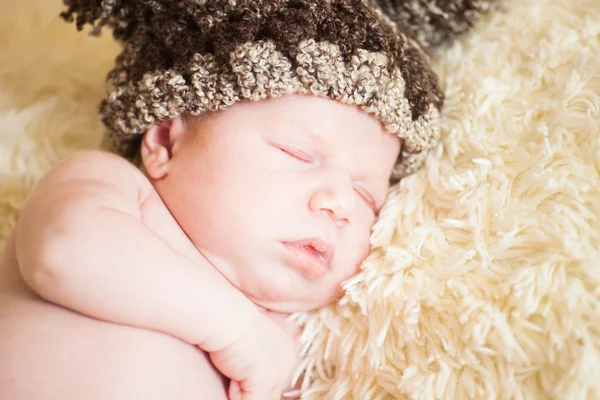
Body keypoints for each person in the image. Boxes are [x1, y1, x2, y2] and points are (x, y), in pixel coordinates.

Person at [0, 1, 495, 399]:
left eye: (368, 195)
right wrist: (238, 334)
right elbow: (63, 252)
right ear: (166, 141)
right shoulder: (113, 191)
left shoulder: (292, 340)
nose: (340, 204)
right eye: (297, 153)